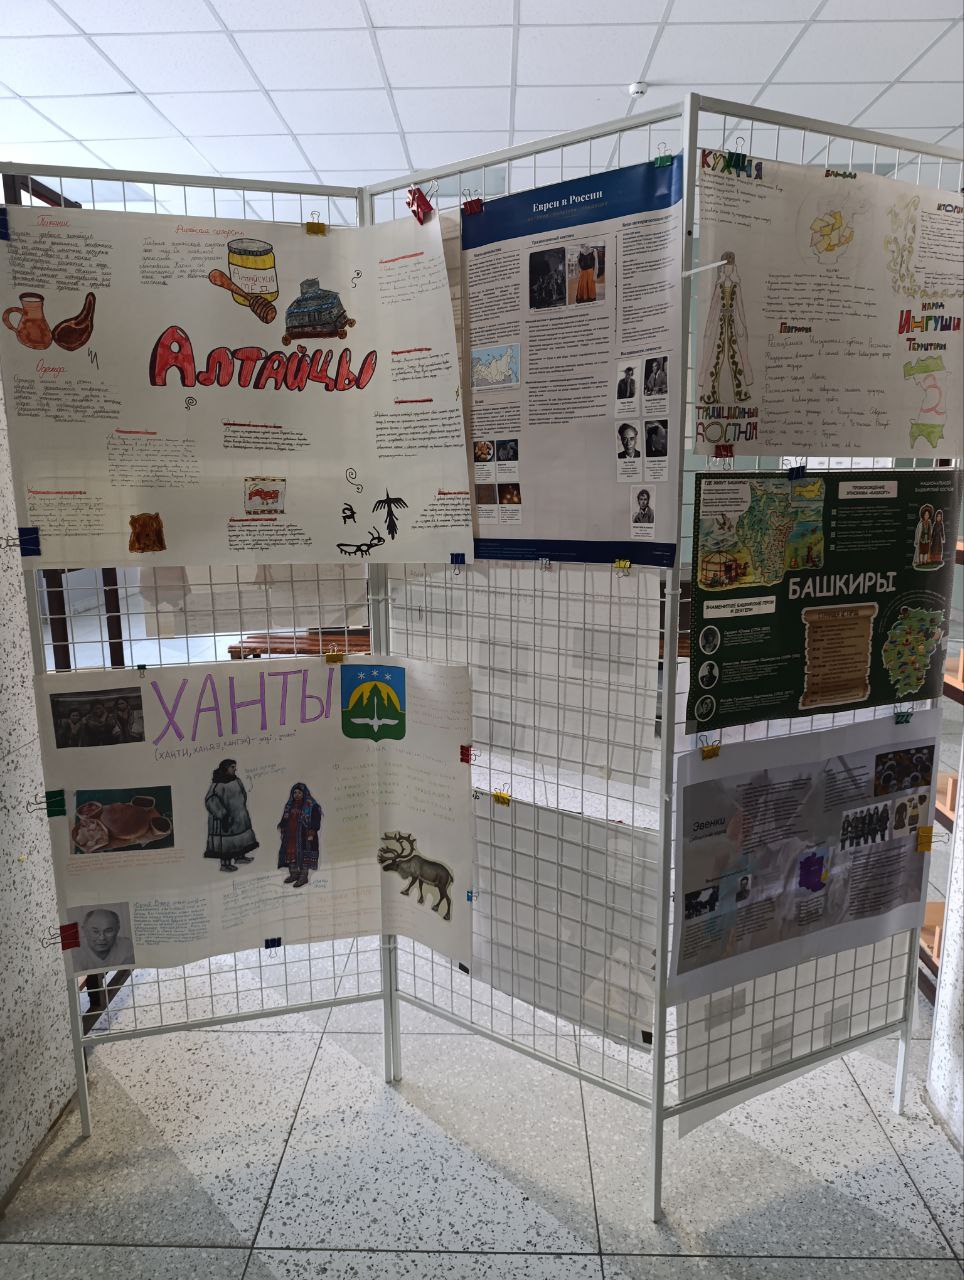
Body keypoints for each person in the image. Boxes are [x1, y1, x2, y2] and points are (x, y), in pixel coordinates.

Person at [699, 250, 753, 404]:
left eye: (731, 266)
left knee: (735, 355)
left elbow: (740, 308)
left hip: (733, 325)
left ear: (733, 268)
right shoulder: (718, 287)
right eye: (726, 267)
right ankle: (709, 394)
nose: (728, 269)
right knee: (716, 356)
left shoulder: (737, 287)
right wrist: (708, 328)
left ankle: (741, 392)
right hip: (720, 325)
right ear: (722, 268)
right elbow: (712, 309)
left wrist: (743, 326)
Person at [204, 759, 259, 872]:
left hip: (239, 817)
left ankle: (240, 857)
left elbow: (243, 795)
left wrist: (240, 810)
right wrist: (221, 813)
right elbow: (210, 800)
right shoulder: (217, 784)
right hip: (225, 819)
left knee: (241, 838)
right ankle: (225, 865)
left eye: (235, 767)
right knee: (226, 843)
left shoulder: (237, 781)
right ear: (225, 768)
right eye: (232, 767)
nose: (235, 769)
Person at [277, 782, 323, 888]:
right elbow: (285, 819)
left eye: (299, 793)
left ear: (304, 793)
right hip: (291, 837)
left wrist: (312, 832)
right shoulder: (289, 805)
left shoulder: (312, 805)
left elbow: (316, 821)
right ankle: (294, 874)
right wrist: (283, 827)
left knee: (304, 856)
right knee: (291, 855)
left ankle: (303, 877)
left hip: (304, 837)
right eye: (295, 793)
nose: (296, 795)